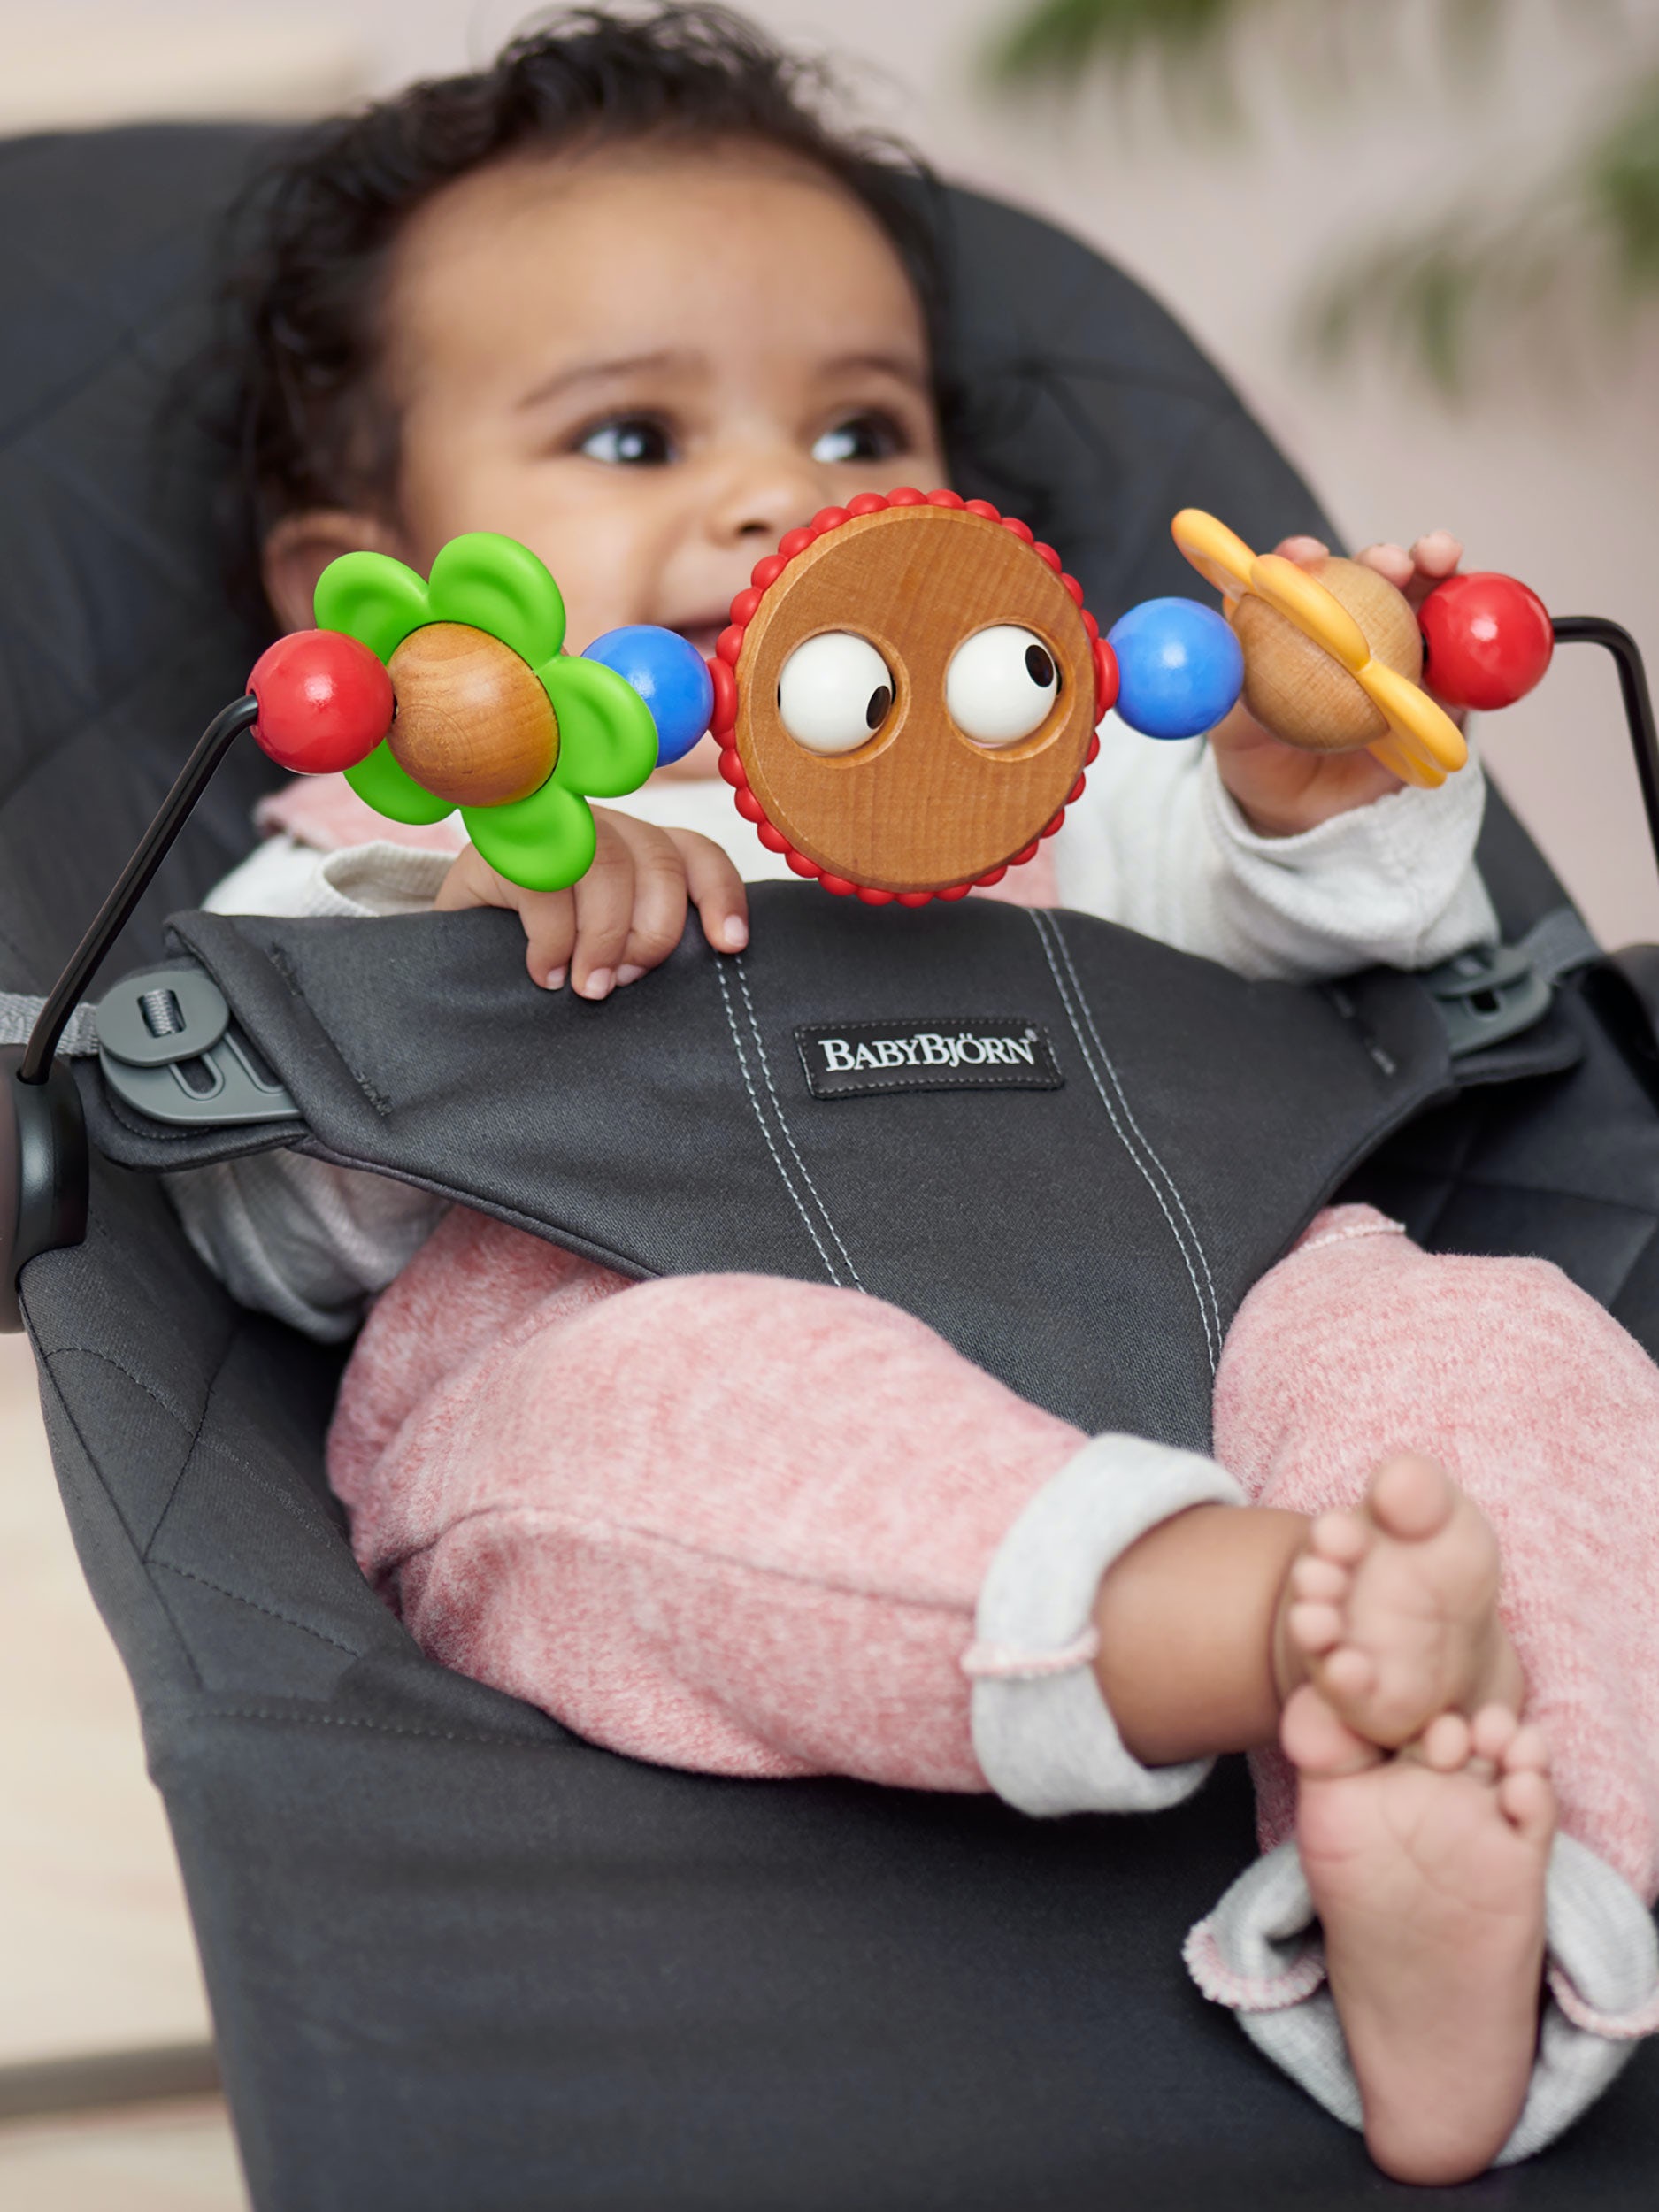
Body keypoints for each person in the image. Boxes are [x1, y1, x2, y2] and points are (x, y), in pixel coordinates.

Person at [173, 4, 1659, 2185]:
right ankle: (1241, 1620)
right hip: (655, 1327)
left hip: (1179, 1291)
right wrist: (485, 902)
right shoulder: (357, 857)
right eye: (626, 439)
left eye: (861, 423)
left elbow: (1313, 927)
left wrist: (1297, 770)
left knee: (1477, 1332)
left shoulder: (1053, 768)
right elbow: (275, 1234)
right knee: (645, 1413)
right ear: (371, 595)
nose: (784, 490)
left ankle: (1511, 1875)